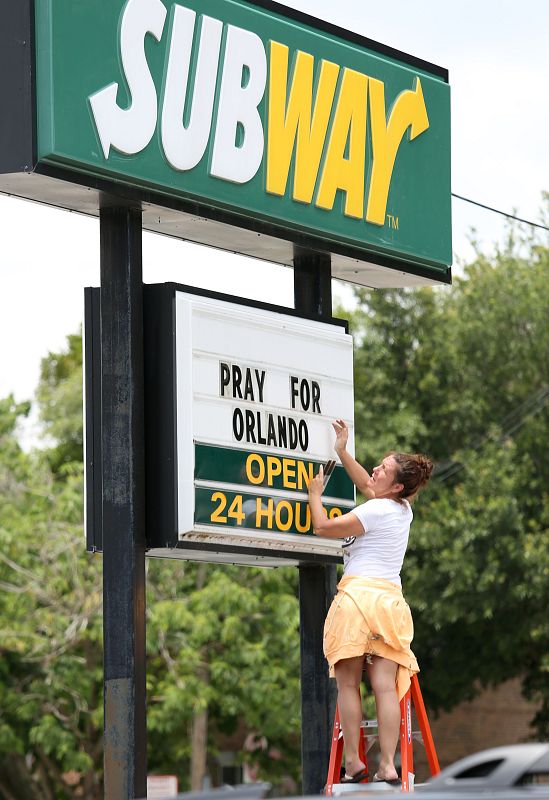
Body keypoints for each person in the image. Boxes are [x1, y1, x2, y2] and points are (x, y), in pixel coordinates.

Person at [308, 419, 433, 785]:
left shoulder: (374, 511)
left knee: (348, 684)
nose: (375, 470)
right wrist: (343, 451)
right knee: (384, 686)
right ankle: (388, 766)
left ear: (396, 486)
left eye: (383, 469)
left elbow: (324, 528)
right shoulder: (401, 509)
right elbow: (365, 484)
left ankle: (353, 763)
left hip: (358, 599)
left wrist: (316, 494)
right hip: (390, 604)